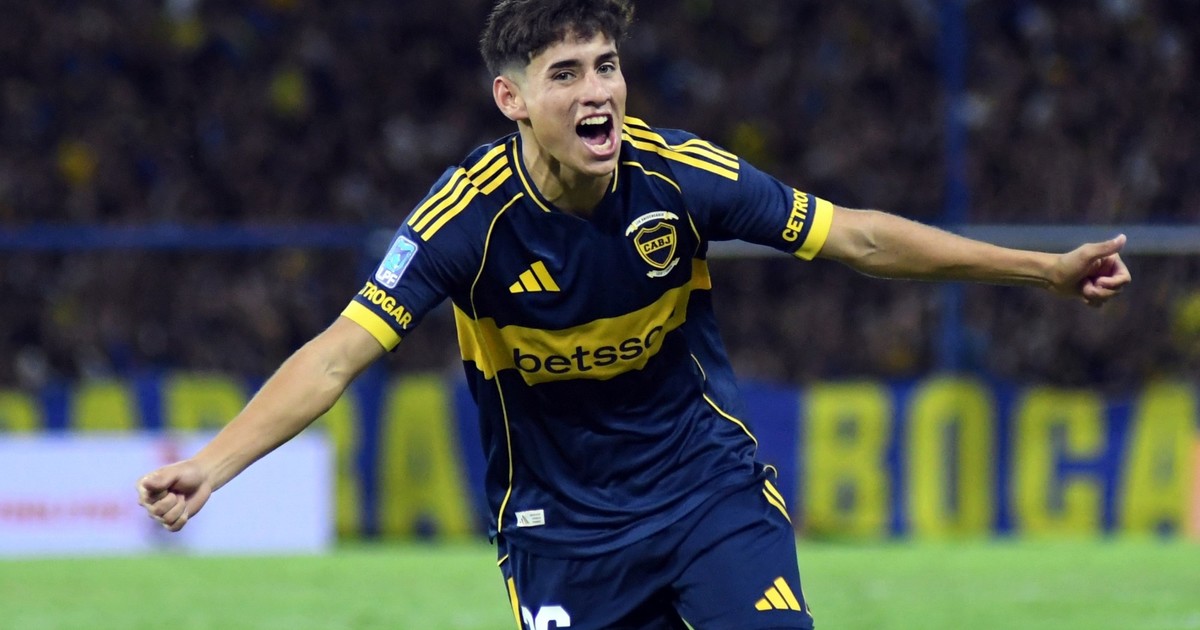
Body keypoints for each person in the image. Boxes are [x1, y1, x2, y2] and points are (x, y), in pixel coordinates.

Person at [136, 1, 1132, 628]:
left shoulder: (680, 175)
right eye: (567, 73)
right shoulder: (464, 220)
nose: (599, 90)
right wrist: (211, 464)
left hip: (705, 490)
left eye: (606, 65)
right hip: (560, 527)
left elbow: (859, 238)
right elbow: (336, 355)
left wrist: (1041, 270)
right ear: (512, 100)